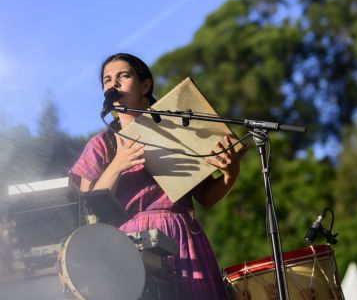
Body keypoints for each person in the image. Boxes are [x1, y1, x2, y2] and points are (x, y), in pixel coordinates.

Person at [69, 53, 248, 299]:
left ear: (145, 85)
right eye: (107, 80)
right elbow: (87, 206)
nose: (114, 84)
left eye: (124, 75)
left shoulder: (174, 129)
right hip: (127, 246)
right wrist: (117, 165)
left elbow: (206, 196)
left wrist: (230, 174)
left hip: (182, 238)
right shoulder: (102, 143)